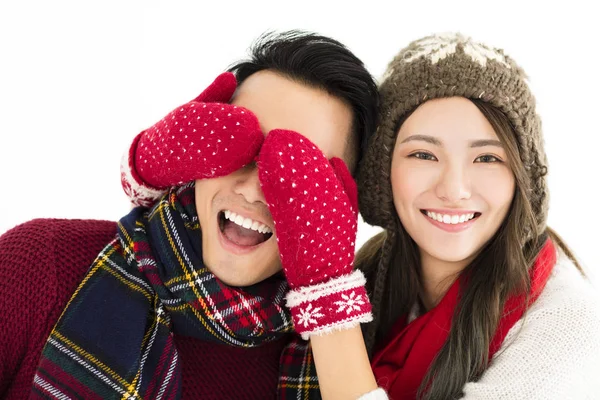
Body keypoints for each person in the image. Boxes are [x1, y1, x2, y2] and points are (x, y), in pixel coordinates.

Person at [0, 31, 379, 399]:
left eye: (297, 173)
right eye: (239, 149)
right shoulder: (42, 263)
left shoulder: (338, 363)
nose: (252, 189)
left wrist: (327, 291)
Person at [299, 32, 600, 400]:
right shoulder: (371, 274)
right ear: (383, 171)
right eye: (424, 155)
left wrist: (327, 297)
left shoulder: (565, 326)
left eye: (487, 158)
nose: (454, 189)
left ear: (520, 179)